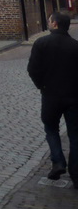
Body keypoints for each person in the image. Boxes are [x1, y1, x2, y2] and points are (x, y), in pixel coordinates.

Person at [26, 10, 78, 184]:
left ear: (54, 24)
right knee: (75, 135)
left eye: (49, 21)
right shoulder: (75, 46)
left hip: (51, 96)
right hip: (73, 97)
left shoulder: (42, 43)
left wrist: (42, 85)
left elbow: (33, 69)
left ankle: (58, 162)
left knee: (51, 129)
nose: (48, 23)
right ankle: (76, 174)